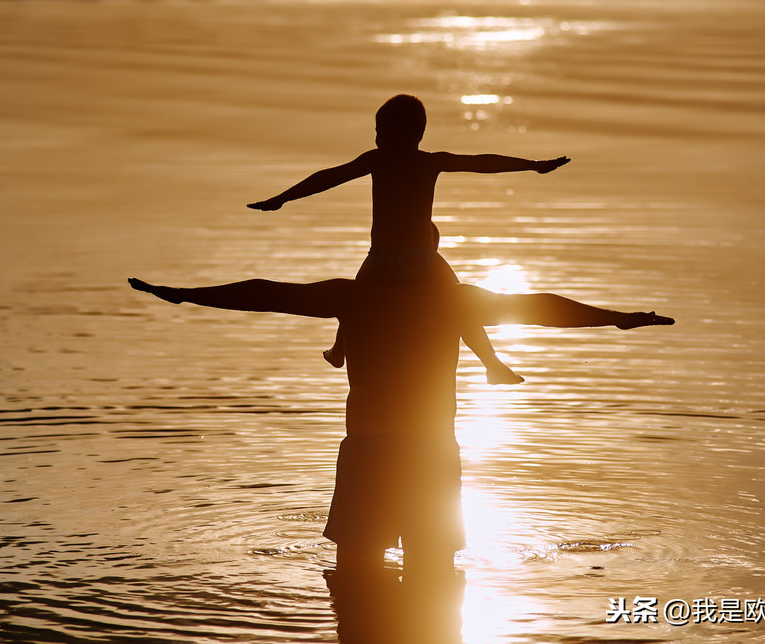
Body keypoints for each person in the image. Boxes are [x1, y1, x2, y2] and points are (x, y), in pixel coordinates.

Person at [127, 275, 673, 574]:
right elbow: (537, 307)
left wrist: (186, 295)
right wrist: (617, 318)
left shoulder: (355, 296)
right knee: (430, 573)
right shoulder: (451, 301)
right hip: (428, 449)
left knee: (357, 569)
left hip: (370, 446)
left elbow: (267, 293)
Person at [247, 94, 570, 384]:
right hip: (422, 260)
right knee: (460, 307)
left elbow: (329, 177)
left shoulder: (377, 160)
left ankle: (339, 351)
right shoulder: (429, 161)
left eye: (380, 131)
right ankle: (491, 363)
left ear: (400, 133)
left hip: (385, 259)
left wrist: (283, 198)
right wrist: (532, 166)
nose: (377, 137)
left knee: (355, 298)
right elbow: (481, 162)